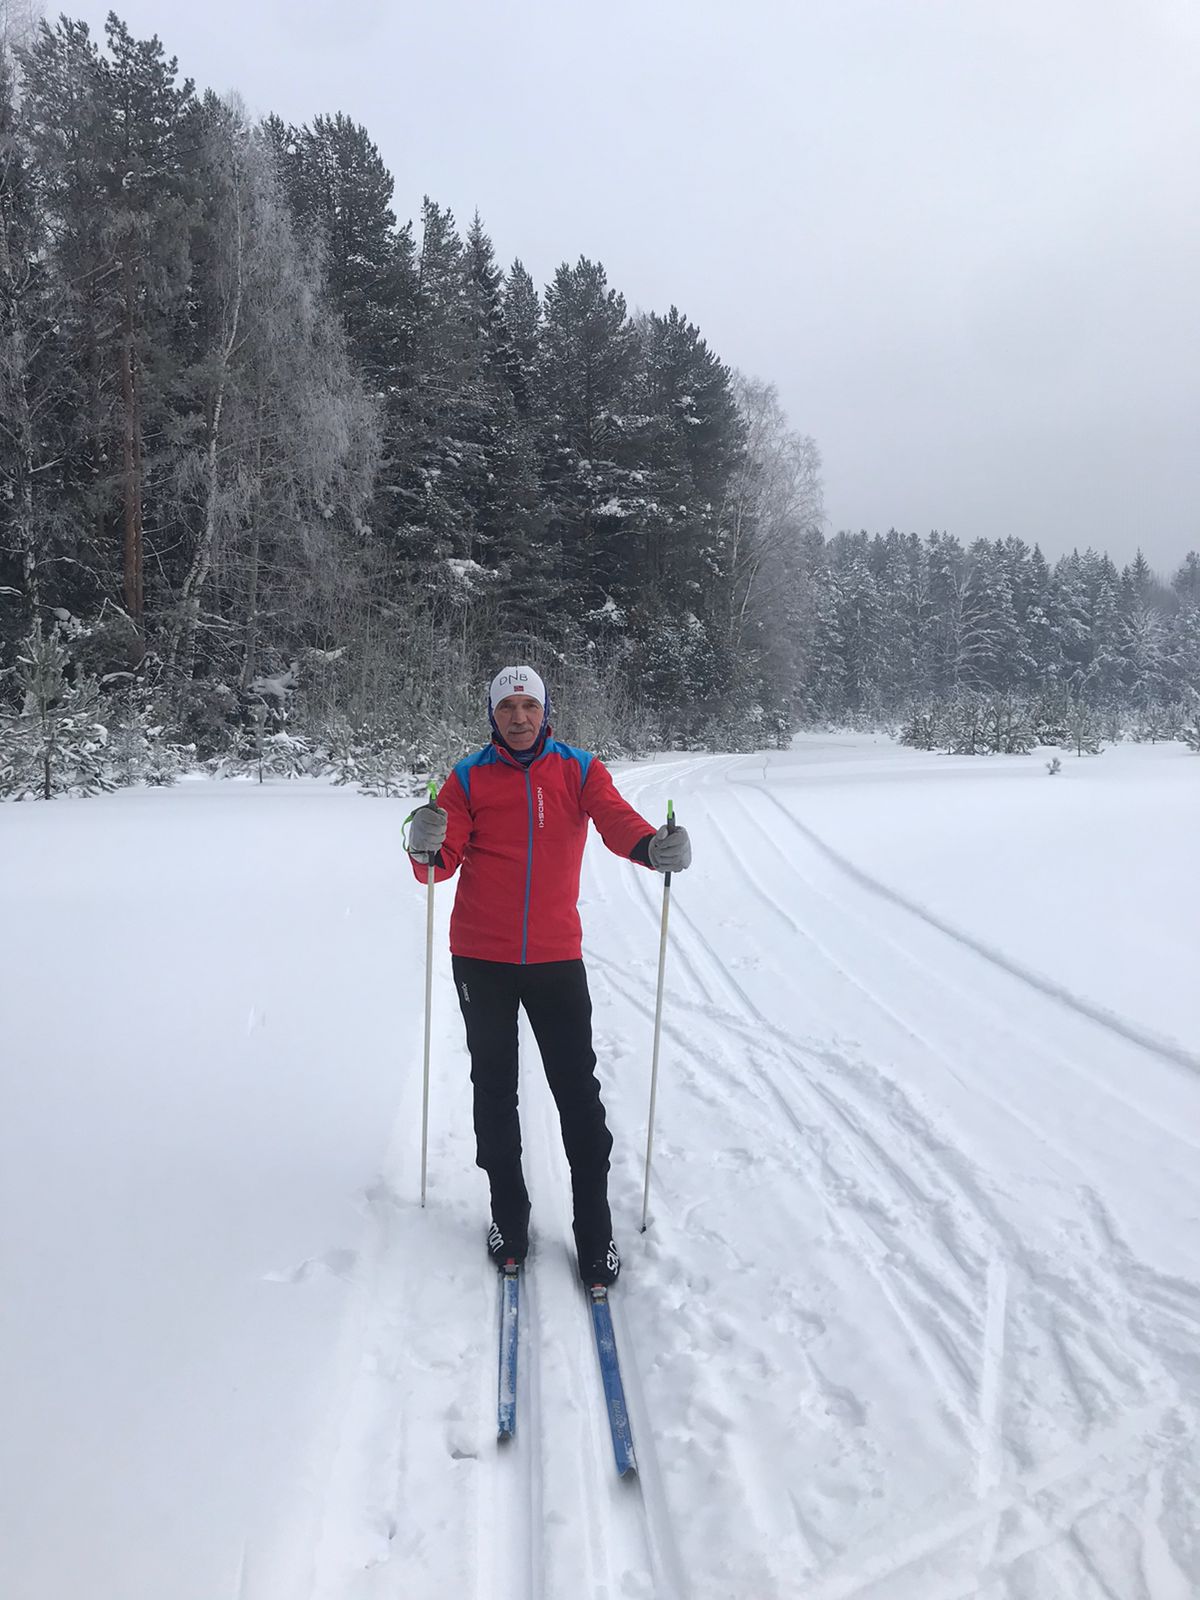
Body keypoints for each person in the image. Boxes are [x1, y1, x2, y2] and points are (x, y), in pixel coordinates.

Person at [405, 665, 692, 1286]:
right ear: (492, 715)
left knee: (578, 1095)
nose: (518, 717)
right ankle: (507, 1215)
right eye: (507, 707)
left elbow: (616, 821)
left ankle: (595, 1230)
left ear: (545, 710)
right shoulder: (467, 776)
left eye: (528, 706)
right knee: (493, 1089)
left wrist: (652, 847)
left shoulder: (579, 768)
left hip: (556, 957)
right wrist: (422, 841)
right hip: (481, 956)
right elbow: (439, 865)